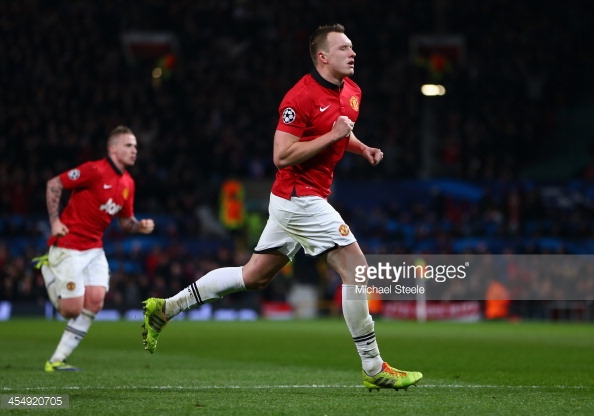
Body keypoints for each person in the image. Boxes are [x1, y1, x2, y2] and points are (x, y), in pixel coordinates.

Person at [141, 24, 422, 391]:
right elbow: (281, 155)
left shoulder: (353, 91)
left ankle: (165, 309)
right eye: (343, 48)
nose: (352, 53)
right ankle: (373, 367)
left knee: (254, 276)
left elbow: (342, 130)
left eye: (352, 46)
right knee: (357, 271)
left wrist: (360, 146)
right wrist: (333, 136)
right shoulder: (300, 97)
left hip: (302, 199)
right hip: (298, 196)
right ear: (323, 57)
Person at [34, 125, 155, 372]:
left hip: (94, 249)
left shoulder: (128, 183)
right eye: (129, 145)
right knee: (71, 310)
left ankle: (56, 360)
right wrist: (55, 222)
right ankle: (47, 268)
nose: (135, 150)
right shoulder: (94, 170)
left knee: (96, 301)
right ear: (113, 149)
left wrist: (138, 226)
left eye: (136, 146)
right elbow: (54, 184)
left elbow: (124, 221)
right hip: (68, 244)